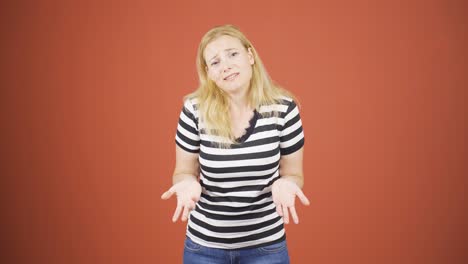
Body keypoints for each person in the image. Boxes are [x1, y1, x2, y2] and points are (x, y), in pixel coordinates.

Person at [161, 24, 310, 264]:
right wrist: (187, 183)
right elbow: (183, 172)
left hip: (266, 247)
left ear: (250, 56)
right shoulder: (194, 110)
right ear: (208, 72)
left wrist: (287, 182)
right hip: (204, 247)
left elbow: (294, 173)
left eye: (232, 54)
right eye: (215, 62)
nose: (226, 66)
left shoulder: (284, 109)